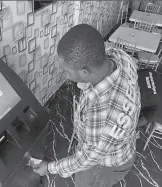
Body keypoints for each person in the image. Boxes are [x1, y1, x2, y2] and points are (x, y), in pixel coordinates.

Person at [33, 24, 141, 187]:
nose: (66, 76)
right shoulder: (121, 57)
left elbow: (87, 159)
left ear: (84, 72)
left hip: (104, 166)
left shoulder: (103, 113)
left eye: (67, 72)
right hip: (120, 145)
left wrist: (49, 167)